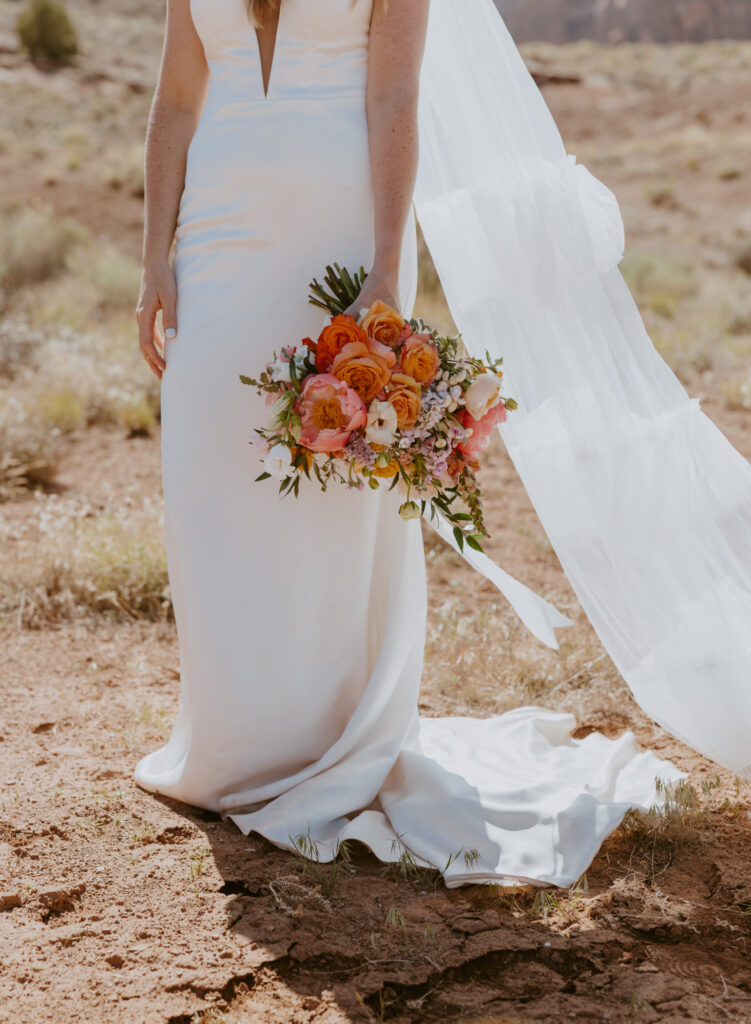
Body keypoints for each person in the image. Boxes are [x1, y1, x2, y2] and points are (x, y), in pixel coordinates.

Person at [133, 0, 685, 889]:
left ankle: (327, 739)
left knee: (331, 497)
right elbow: (175, 100)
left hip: (341, 233)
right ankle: (233, 744)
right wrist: (153, 256)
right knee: (211, 479)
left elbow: (394, 95)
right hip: (216, 237)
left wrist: (387, 266)